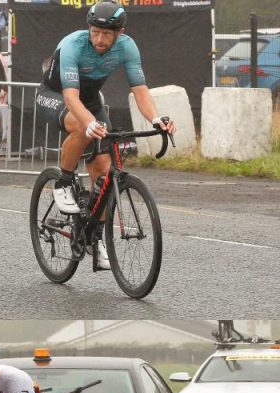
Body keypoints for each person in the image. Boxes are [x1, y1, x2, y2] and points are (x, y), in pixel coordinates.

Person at [34, 1, 175, 269]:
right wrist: (88, 123)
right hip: (54, 96)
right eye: (95, 32)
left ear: (119, 33)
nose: (99, 39)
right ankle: (63, 182)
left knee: (103, 168)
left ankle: (94, 238)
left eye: (106, 34)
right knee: (79, 126)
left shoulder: (128, 47)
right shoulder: (73, 45)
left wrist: (155, 118)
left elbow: (140, 88)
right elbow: (71, 97)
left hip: (90, 100)